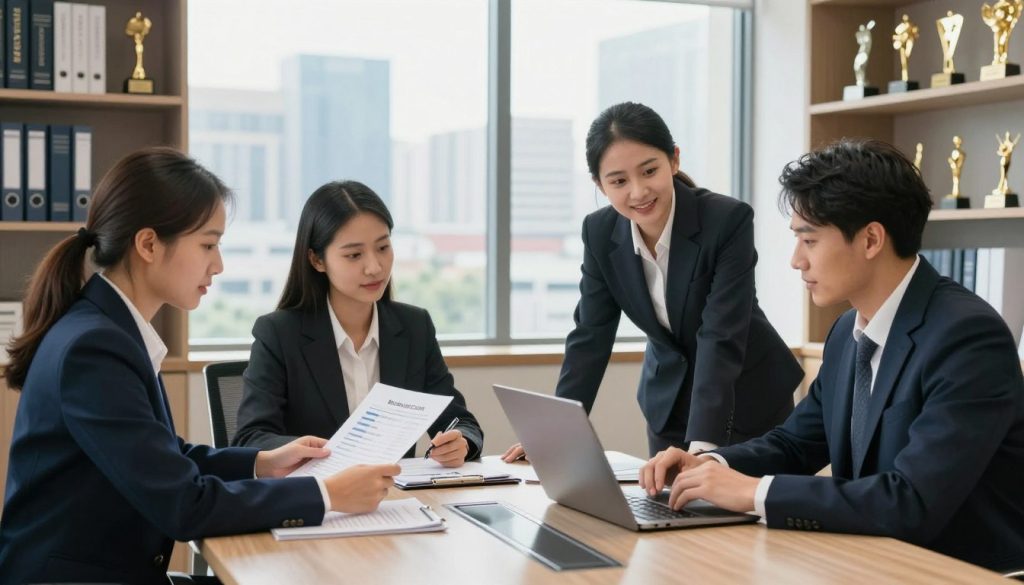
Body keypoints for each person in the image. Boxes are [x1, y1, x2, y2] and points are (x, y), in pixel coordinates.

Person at [0, 149, 400, 585]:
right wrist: (326, 494)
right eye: (208, 244)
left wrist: (263, 462)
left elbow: (167, 457)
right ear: (149, 244)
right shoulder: (95, 348)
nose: (219, 264)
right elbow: (183, 505)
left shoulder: (108, 329)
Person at [640, 138, 1024, 573]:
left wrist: (751, 493)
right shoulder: (848, 331)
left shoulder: (967, 338)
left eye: (809, 240)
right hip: (873, 561)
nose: (795, 261)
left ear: (871, 239)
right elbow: (796, 442)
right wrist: (710, 464)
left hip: (959, 572)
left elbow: (911, 502)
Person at [503, 102, 802, 460]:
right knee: (667, 512)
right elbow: (590, 337)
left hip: (749, 398)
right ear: (599, 184)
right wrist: (554, 435)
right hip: (669, 405)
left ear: (674, 160)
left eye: (649, 171)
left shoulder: (726, 220)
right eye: (618, 181)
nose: (639, 191)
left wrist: (704, 448)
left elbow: (720, 334)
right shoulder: (599, 233)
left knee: (746, 513)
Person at [233, 181, 483, 466]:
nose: (375, 267)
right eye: (354, 255)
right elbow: (251, 439)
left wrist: (461, 441)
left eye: (383, 247)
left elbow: (460, 421)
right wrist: (310, 452)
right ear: (316, 259)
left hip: (394, 499)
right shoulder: (279, 334)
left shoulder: (414, 327)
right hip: (318, 500)